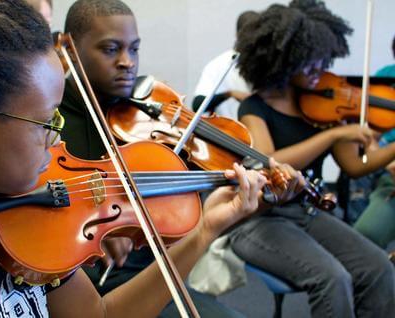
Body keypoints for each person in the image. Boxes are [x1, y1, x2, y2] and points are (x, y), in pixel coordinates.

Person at [0, 0, 271, 317]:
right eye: (45, 121)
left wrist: (204, 231)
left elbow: (97, 313)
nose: (56, 137)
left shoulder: (22, 218)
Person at [59, 1, 304, 317]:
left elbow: (195, 220)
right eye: (110, 50)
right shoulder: (50, 120)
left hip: (155, 273)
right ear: (70, 46)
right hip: (83, 285)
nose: (127, 62)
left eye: (134, 49)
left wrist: (262, 196)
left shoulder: (147, 116)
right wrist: (80, 239)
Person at [229, 1, 395, 317]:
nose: (320, 69)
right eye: (309, 62)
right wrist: (332, 136)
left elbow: (355, 166)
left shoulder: (326, 105)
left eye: (323, 60)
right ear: (286, 60)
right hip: (262, 219)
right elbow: (269, 161)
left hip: (308, 212)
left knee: (378, 268)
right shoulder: (255, 107)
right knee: (333, 279)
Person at [191, 11, 258, 118]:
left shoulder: (267, 64)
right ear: (237, 35)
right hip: (227, 131)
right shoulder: (218, 66)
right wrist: (229, 94)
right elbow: (197, 105)